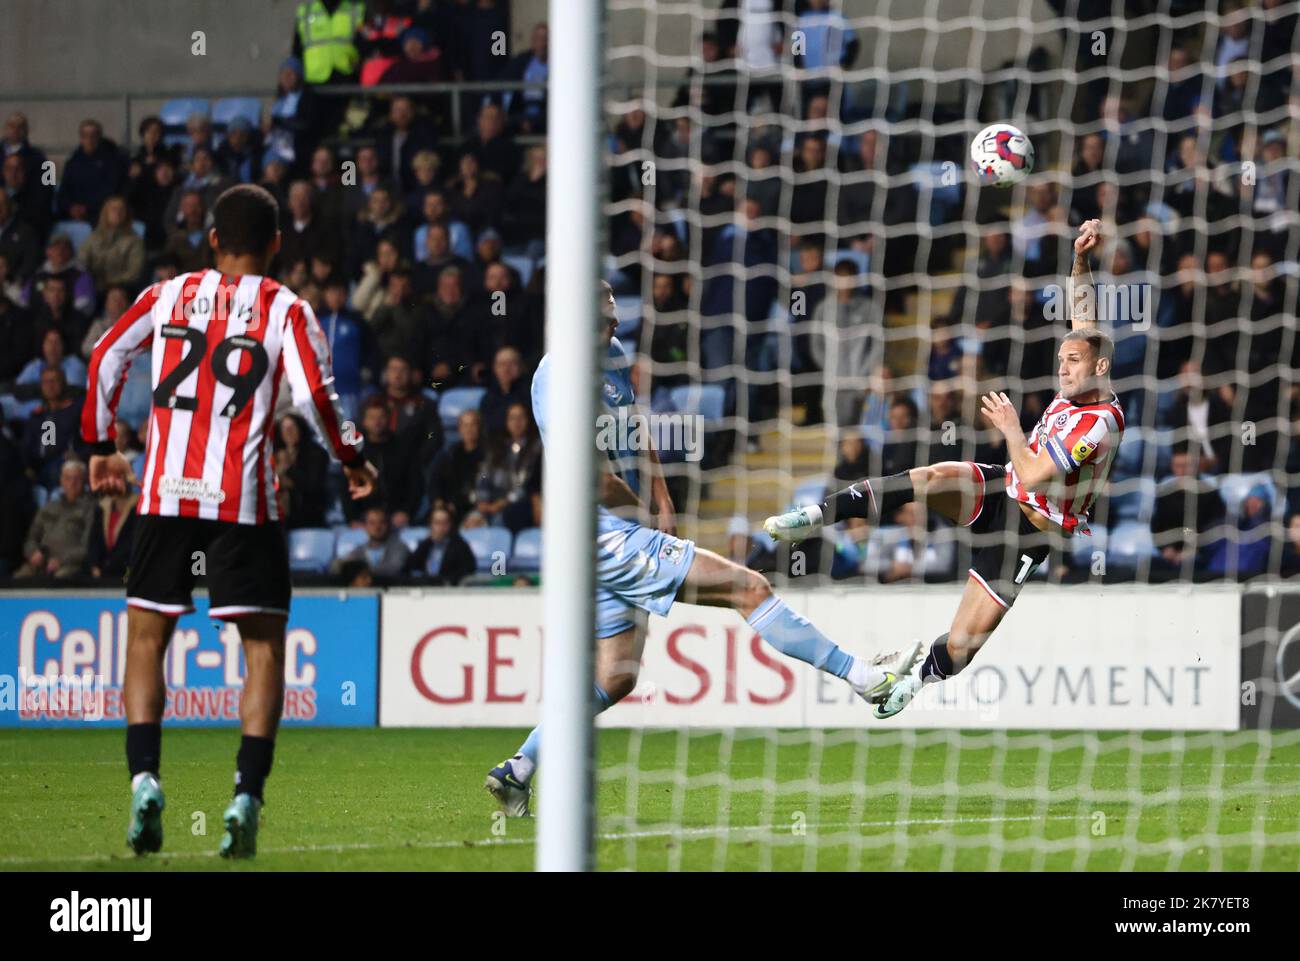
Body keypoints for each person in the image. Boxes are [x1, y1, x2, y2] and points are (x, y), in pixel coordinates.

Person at [483, 282, 922, 818]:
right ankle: (865, 678)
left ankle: (519, 769)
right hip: (601, 536)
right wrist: (641, 512)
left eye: (616, 315)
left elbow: (632, 420)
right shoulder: (556, 379)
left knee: (616, 675)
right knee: (750, 587)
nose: (616, 325)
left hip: (609, 536)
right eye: (604, 318)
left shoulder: (611, 355)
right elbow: (589, 477)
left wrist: (661, 492)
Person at [81, 183, 376, 859]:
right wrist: (354, 460)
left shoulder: (168, 294)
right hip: (241, 499)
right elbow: (316, 399)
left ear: (212, 239)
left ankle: (145, 780)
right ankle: (244, 795)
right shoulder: (286, 309)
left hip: (162, 493)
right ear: (277, 244)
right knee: (263, 648)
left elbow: (104, 358)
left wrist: (101, 447)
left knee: (147, 639)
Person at [765, 220, 1126, 719]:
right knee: (930, 477)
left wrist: (1009, 426)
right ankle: (812, 516)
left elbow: (1039, 472)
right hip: (1002, 488)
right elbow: (1084, 313)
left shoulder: (1100, 424)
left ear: (1099, 368)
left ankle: (908, 684)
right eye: (1061, 358)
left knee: (961, 648)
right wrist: (1081, 259)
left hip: (1027, 533)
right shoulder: (1083, 373)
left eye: (1073, 361)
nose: (1062, 368)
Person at [15, 458, 95, 578]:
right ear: (61, 481)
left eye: (77, 479)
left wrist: (61, 560)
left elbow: (87, 547)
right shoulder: (49, 507)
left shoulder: (91, 509)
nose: (72, 483)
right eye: (68, 478)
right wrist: (32, 552)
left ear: (85, 482)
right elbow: (31, 538)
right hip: (41, 562)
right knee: (20, 577)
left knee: (61, 578)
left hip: (70, 565)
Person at [405, 504, 476, 585]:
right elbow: (410, 565)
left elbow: (469, 569)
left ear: (450, 525)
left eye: (444, 523)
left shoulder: (460, 545)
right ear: (430, 524)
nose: (441, 527)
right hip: (425, 588)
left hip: (448, 590)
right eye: (437, 523)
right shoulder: (426, 544)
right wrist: (427, 542)